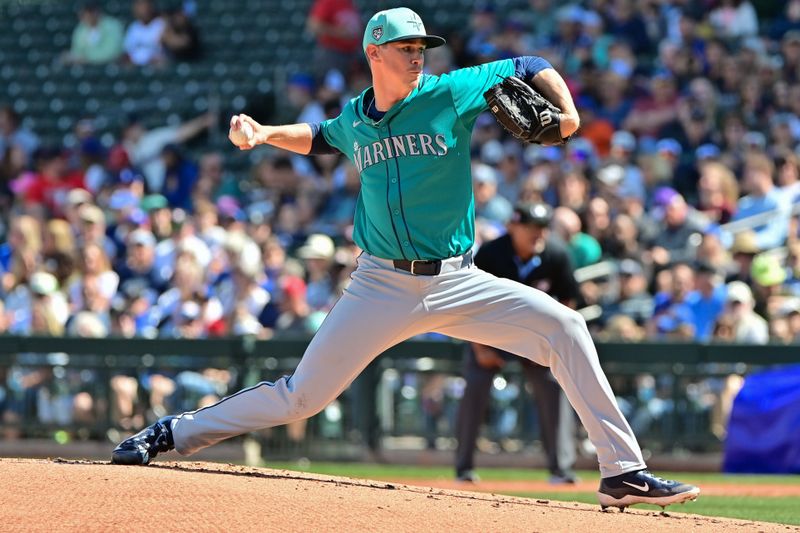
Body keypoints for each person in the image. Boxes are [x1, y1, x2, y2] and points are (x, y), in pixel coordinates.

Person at [112, 7, 699, 511]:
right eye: (405, 47)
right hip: (379, 286)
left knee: (566, 326)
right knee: (302, 397)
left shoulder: (450, 91)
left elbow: (527, 65)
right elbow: (319, 135)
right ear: (374, 52)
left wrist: (566, 113)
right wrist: (265, 133)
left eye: (421, 46)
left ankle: (621, 471)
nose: (417, 55)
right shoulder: (355, 117)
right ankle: (171, 434)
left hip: (458, 279)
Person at [454, 202, 579, 484]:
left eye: (542, 229)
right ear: (514, 227)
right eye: (531, 228)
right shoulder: (491, 253)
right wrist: (479, 347)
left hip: (535, 338)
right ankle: (463, 468)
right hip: (491, 334)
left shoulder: (557, 254)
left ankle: (561, 469)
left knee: (554, 387)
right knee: (474, 385)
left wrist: (552, 347)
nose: (538, 235)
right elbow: (468, 304)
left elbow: (569, 304)